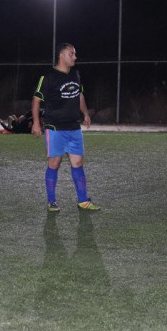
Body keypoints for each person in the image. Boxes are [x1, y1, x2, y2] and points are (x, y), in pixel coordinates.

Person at [31, 43, 100, 212]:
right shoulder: (48, 77)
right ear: (61, 56)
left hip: (74, 127)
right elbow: (36, 100)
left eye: (75, 54)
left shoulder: (76, 74)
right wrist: (36, 123)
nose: (75, 57)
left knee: (78, 162)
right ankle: (51, 201)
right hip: (55, 128)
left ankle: (83, 200)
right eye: (71, 54)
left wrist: (85, 114)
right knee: (54, 164)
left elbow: (79, 95)